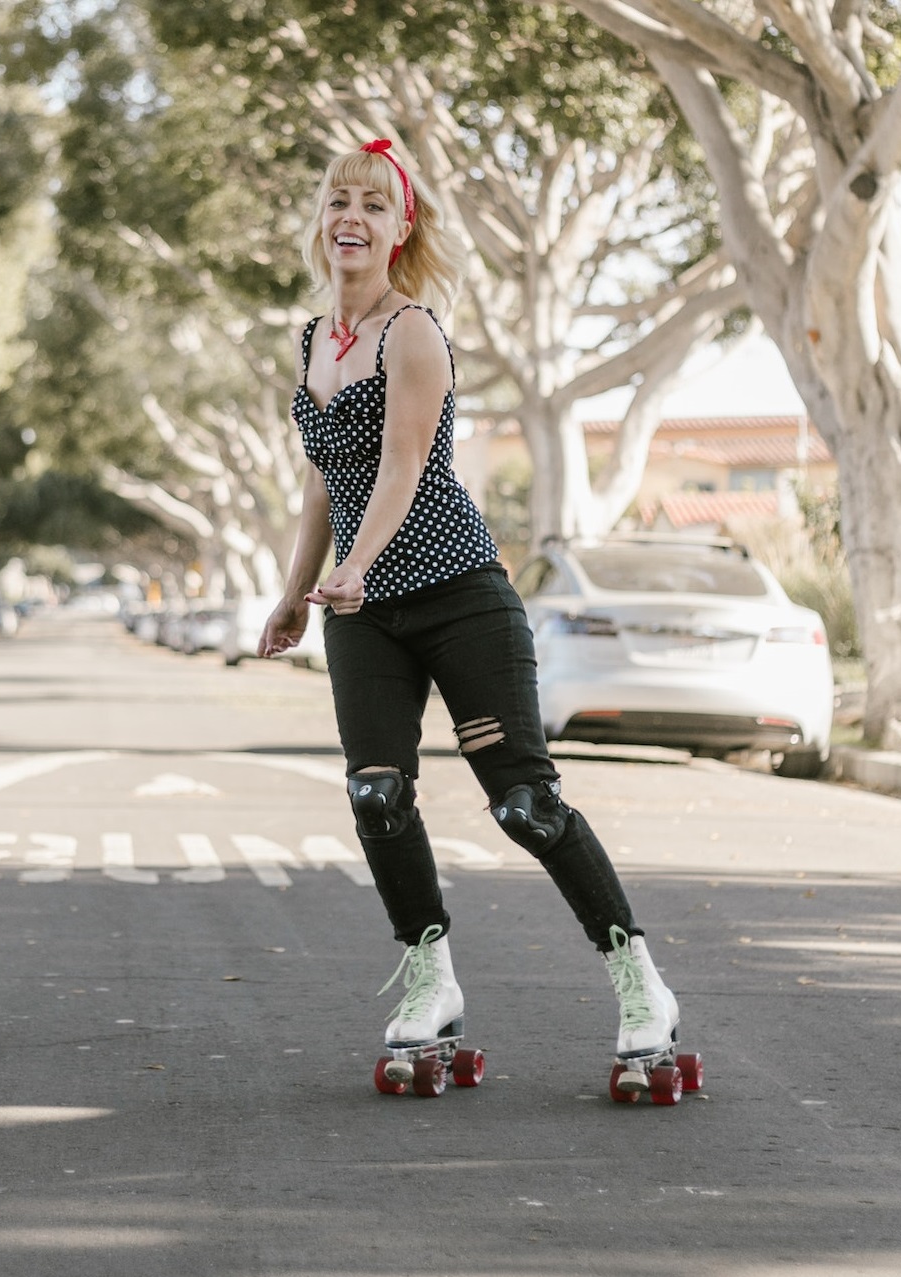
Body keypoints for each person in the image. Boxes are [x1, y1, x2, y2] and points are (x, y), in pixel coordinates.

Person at [257, 138, 682, 1092]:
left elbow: (404, 466)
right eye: (336, 202)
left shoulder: (413, 331)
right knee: (376, 795)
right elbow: (325, 480)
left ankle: (638, 982)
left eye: (370, 204)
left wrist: (356, 568)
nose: (349, 218)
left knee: (523, 803)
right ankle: (429, 977)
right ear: (320, 222)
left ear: (400, 228)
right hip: (361, 613)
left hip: (456, 597)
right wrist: (297, 588)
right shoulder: (310, 337)